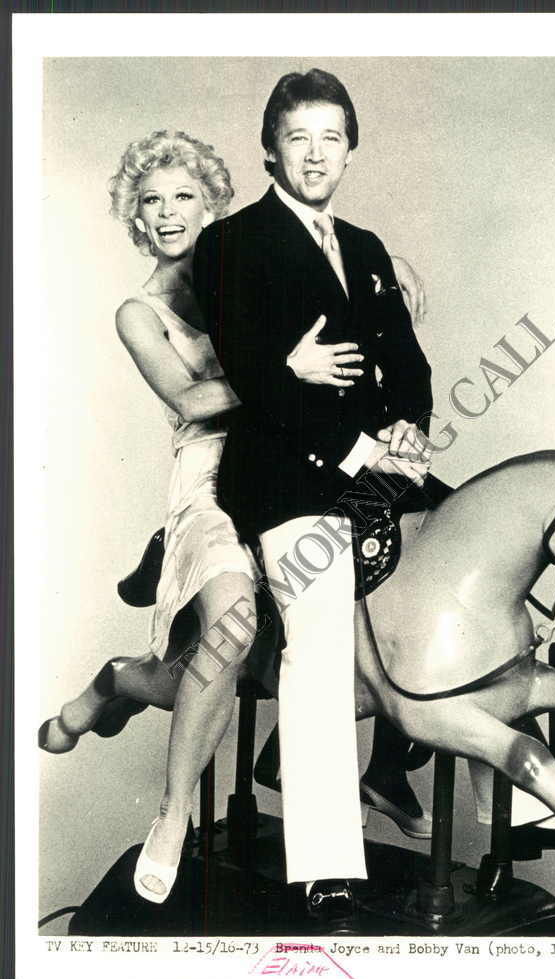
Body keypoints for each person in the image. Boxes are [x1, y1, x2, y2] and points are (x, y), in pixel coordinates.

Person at [39, 128, 431, 905]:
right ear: (134, 218)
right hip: (211, 475)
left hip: (293, 455)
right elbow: (190, 401)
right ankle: (172, 808)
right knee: (231, 626)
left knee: (419, 550)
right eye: (151, 201)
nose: (168, 212)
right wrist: (280, 367)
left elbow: (354, 321)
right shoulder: (140, 312)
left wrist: (385, 293)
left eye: (183, 195)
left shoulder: (259, 260)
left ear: (212, 203)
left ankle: (387, 767)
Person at [193, 69, 444, 924]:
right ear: (270, 150)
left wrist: (407, 426)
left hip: (378, 465)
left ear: (349, 151)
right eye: (296, 138)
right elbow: (249, 373)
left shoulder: (365, 247)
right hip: (286, 473)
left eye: (329, 138)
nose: (313, 154)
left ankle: (520, 810)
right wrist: (338, 426)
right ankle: (328, 865)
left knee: (490, 563)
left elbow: (406, 363)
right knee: (322, 634)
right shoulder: (230, 241)